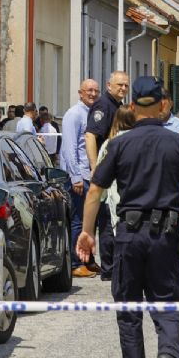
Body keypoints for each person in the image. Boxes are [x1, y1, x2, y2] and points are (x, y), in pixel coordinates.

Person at [77, 76, 179, 358]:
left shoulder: (119, 145)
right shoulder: (178, 144)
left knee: (129, 310)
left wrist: (87, 231)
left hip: (129, 237)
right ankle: (169, 352)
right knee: (168, 301)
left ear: (132, 106)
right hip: (165, 235)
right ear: (163, 106)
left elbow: (96, 190)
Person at [85, 70, 130, 280]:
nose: (122, 88)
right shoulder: (103, 105)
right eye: (119, 85)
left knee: (112, 216)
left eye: (126, 86)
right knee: (105, 220)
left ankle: (113, 266)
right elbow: (91, 135)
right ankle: (109, 268)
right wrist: (95, 168)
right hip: (106, 168)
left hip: (114, 168)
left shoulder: (116, 106)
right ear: (109, 85)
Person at [60, 79, 101, 278]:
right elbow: (69, 148)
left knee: (89, 222)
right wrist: (75, 177)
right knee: (78, 222)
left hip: (89, 175)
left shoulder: (91, 113)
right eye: (89, 90)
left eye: (96, 91)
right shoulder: (73, 115)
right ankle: (76, 263)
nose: (93, 94)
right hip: (79, 177)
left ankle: (88, 260)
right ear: (80, 92)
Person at [95, 106, 136, 228]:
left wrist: (100, 199)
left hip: (114, 202)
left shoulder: (110, 144)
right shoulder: (143, 142)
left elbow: (99, 174)